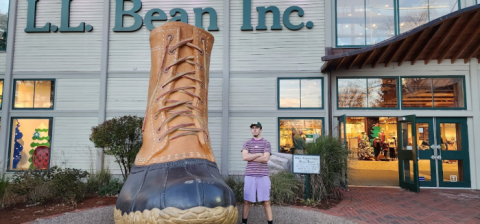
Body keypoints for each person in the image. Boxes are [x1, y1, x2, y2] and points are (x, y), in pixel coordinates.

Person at [241, 122, 273, 224]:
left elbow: (266, 159)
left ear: (261, 130)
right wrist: (259, 154)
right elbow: (245, 157)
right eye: (252, 128)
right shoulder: (247, 143)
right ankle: (244, 222)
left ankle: (270, 222)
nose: (254, 130)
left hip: (263, 176)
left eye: (256, 128)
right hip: (250, 175)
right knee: (247, 201)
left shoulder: (266, 143)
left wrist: (252, 156)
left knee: (266, 202)